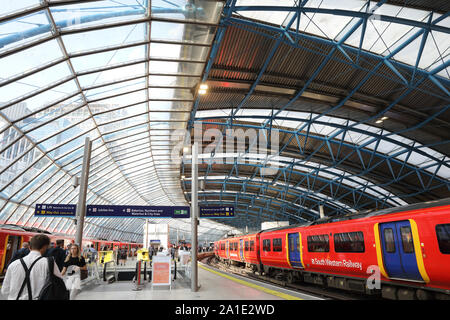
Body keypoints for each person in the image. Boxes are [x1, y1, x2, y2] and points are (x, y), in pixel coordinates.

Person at [1, 235, 62, 300]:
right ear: (45, 247)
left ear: (29, 247)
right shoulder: (49, 263)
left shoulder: (13, 264)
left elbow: (5, 290)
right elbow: (59, 285)